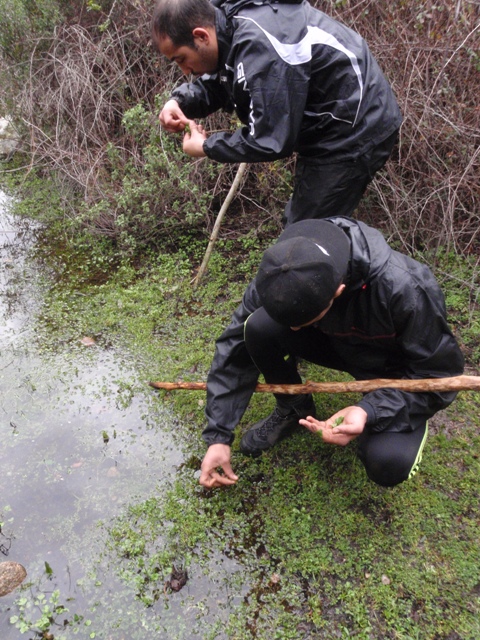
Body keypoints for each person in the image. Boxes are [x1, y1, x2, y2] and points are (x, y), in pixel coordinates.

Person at [197, 218, 465, 489]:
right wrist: (218, 435)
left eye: (302, 322)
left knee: (388, 461)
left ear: (338, 291)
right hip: (338, 344)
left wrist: (369, 410)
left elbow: (438, 377)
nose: (292, 329)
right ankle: (293, 408)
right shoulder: (281, 270)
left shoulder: (405, 290)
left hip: (393, 370)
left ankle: (395, 418)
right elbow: (233, 349)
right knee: (257, 328)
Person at [152, 0, 402, 225]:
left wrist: (207, 146)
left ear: (201, 36)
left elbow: (269, 139)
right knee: (307, 231)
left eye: (181, 58)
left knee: (304, 237)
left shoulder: (261, 48)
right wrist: (180, 101)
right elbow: (226, 77)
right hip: (328, 123)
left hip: (355, 124)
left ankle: (378, 273)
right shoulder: (226, 25)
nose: (185, 70)